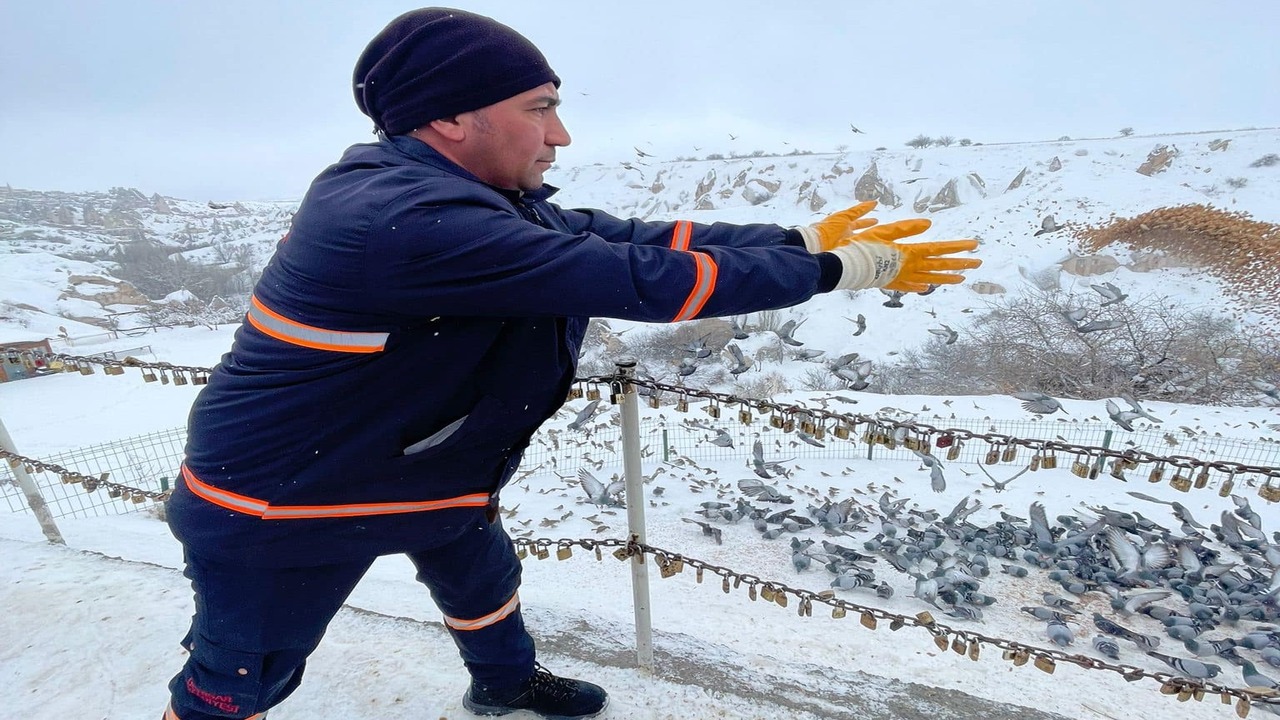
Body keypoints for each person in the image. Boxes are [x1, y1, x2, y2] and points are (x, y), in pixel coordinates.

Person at [161, 7, 981, 720]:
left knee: (484, 582)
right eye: (541, 109)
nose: (561, 134)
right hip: (285, 497)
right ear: (450, 118)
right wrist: (844, 269)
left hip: (418, 464)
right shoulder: (405, 219)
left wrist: (798, 242)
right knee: (241, 673)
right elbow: (640, 280)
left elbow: (631, 237)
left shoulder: (460, 195)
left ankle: (505, 686)